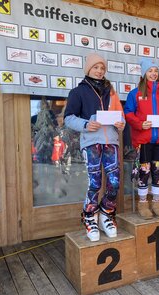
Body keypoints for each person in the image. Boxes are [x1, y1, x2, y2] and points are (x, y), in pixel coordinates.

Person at [64, 53, 125, 242]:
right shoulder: (78, 92)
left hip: (111, 142)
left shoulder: (111, 91)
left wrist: (121, 123)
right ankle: (90, 216)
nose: (99, 71)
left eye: (102, 68)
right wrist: (85, 124)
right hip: (91, 142)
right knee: (95, 183)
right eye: (96, 68)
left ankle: (107, 212)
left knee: (114, 182)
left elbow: (120, 115)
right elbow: (68, 118)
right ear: (88, 69)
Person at [124, 58, 159, 219]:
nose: (153, 74)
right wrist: (140, 124)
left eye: (156, 71)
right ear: (144, 73)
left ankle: (157, 204)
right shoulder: (135, 93)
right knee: (144, 173)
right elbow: (128, 113)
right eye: (150, 71)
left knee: (157, 173)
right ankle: (143, 204)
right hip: (143, 142)